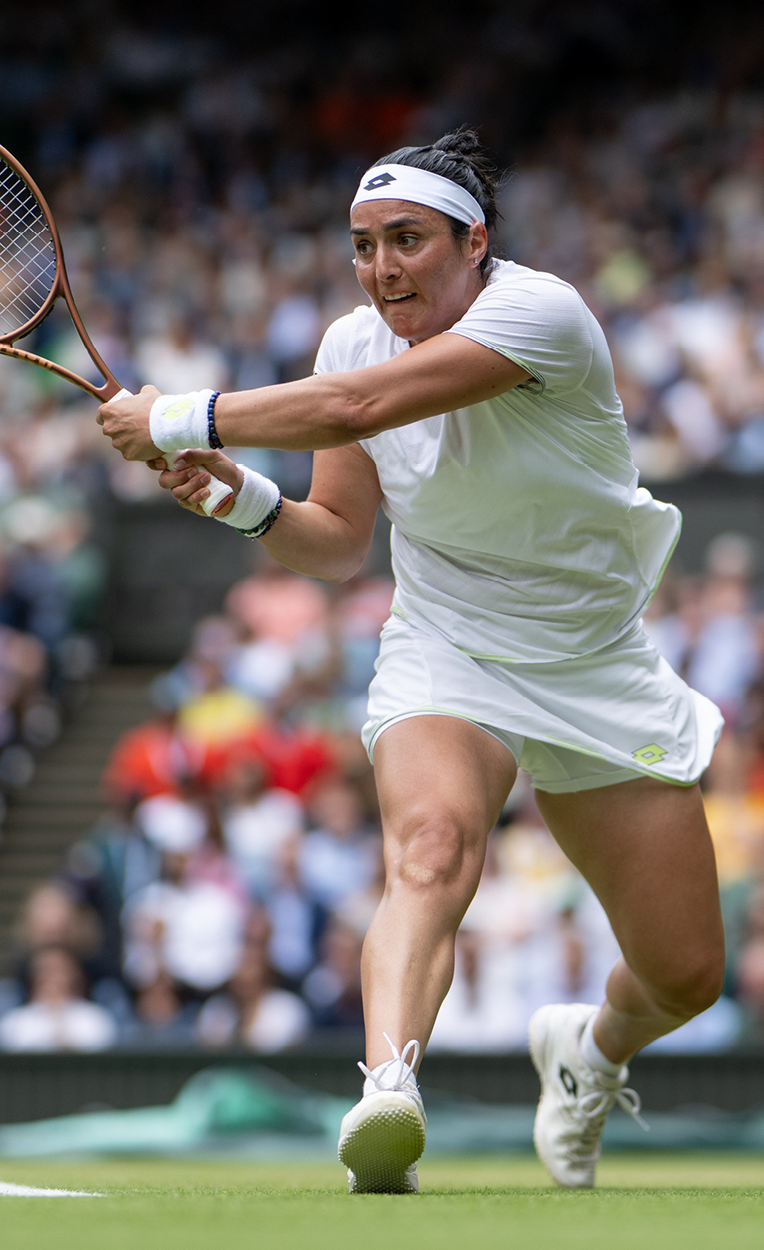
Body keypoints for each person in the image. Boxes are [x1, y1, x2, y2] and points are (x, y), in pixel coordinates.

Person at [98, 130, 726, 1193]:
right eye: (362, 245)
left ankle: (587, 1050)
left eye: (408, 240)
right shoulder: (349, 341)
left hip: (589, 658)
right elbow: (339, 540)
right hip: (446, 642)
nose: (383, 267)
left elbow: (361, 409)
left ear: (472, 242)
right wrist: (240, 497)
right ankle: (386, 1089)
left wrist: (172, 414)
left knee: (683, 972)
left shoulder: (540, 313)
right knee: (430, 846)